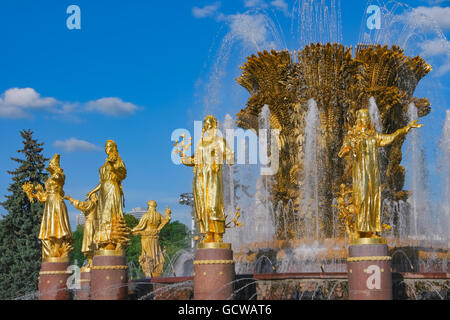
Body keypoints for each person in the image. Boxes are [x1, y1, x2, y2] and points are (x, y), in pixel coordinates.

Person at [338, 108, 423, 238]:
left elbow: (390, 137)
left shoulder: (374, 135)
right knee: (362, 198)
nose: (366, 120)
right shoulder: (352, 136)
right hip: (360, 172)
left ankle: (371, 230)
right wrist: (348, 148)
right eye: (363, 117)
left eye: (367, 117)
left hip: (373, 172)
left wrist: (406, 128)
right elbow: (342, 152)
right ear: (359, 119)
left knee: (373, 198)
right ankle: (360, 230)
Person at [180, 115, 234, 243]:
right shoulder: (200, 143)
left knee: (214, 205)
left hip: (213, 176)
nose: (208, 128)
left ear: (215, 127)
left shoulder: (219, 141)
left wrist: (227, 157)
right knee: (203, 206)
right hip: (200, 177)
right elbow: (193, 160)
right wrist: (183, 155)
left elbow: (229, 154)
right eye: (206, 126)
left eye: (211, 126)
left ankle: (218, 234)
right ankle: (208, 234)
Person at [23, 154, 72, 259]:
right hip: (49, 204)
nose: (50, 166)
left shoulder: (60, 175)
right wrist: (33, 194)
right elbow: (44, 196)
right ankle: (51, 251)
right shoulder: (50, 178)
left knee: (58, 227)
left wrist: (56, 170)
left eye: (52, 164)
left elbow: (60, 178)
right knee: (49, 229)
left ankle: (57, 249)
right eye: (50, 164)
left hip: (57, 202)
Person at [87, 140, 128, 251]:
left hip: (112, 188)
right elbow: (101, 182)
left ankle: (112, 241)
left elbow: (122, 175)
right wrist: (92, 191)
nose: (107, 148)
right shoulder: (105, 163)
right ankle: (104, 240)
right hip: (104, 189)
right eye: (105, 146)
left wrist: (113, 166)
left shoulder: (118, 160)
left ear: (114, 147)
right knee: (102, 215)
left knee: (110, 213)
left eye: (109, 146)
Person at [131, 201, 171, 277]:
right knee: (156, 253)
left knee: (147, 254)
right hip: (155, 237)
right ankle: (156, 270)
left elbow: (140, 226)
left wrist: (133, 230)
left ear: (149, 206)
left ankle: (148, 271)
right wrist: (167, 215)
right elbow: (165, 221)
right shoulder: (158, 215)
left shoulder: (146, 215)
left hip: (146, 237)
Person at [65, 193, 98, 270]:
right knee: (92, 244)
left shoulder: (92, 203)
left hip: (90, 224)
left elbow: (82, 204)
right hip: (94, 224)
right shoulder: (97, 205)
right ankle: (91, 263)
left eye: (91, 196)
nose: (90, 198)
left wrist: (71, 199)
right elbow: (85, 209)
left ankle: (91, 263)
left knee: (90, 244)